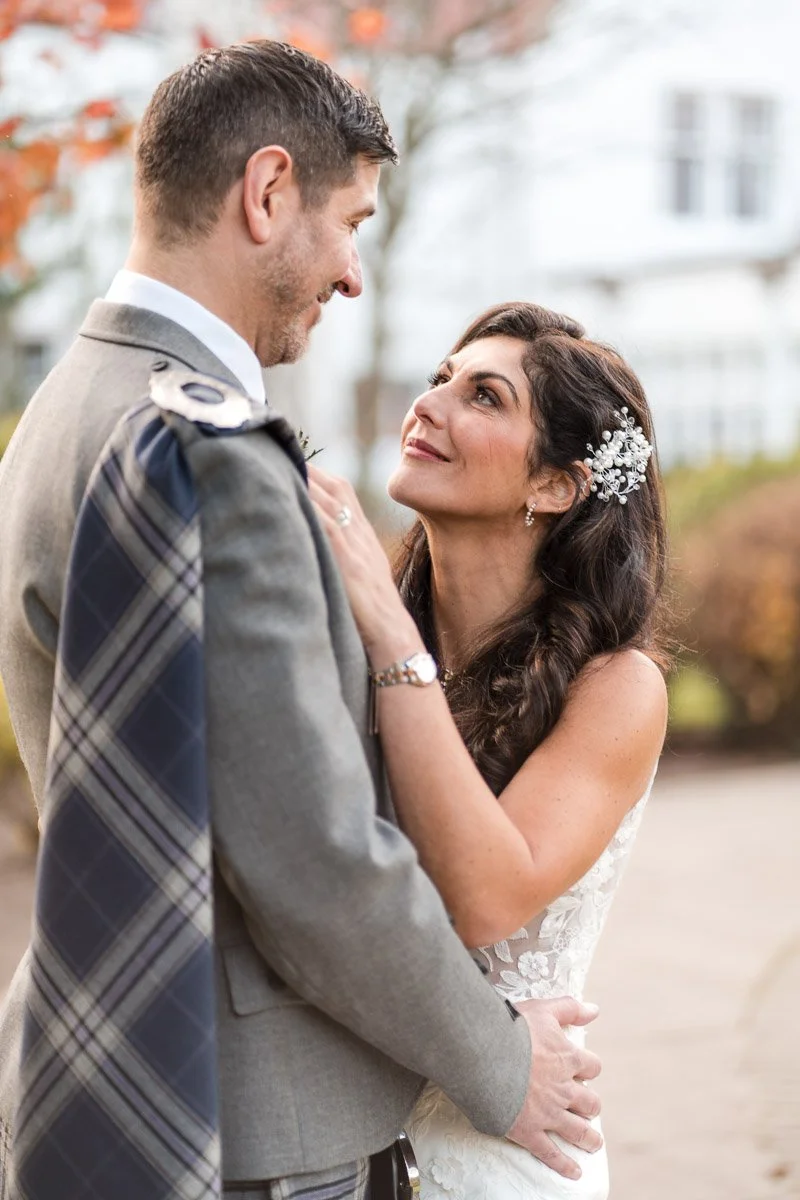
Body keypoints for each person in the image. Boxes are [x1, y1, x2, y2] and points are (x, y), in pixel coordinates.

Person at [0, 44, 603, 1200]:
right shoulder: (209, 452)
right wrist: (501, 1064)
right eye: (350, 223)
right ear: (266, 193)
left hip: (121, 1069)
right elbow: (314, 858)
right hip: (252, 1134)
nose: (351, 274)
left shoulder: (66, 405)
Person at [308, 301, 669, 1200]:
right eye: (439, 380)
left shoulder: (617, 691)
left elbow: (485, 897)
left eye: (484, 396)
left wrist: (391, 637)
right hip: (335, 1145)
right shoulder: (336, 635)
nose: (428, 406)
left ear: (553, 487)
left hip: (508, 1156)